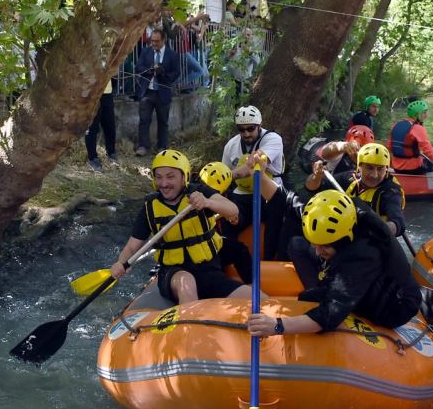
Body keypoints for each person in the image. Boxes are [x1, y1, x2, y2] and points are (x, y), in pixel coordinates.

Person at [246, 189, 421, 337]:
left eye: (324, 247)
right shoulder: (336, 213)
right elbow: (290, 202)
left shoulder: (363, 254)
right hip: (358, 271)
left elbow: (328, 316)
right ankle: (326, 287)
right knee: (298, 245)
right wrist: (260, 173)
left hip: (392, 306)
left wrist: (277, 326)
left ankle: (332, 294)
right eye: (316, 244)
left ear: (344, 241)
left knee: (317, 301)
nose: (317, 251)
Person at [110, 149, 252, 304]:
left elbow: (233, 210)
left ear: (184, 176)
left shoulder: (199, 192)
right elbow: (132, 247)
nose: (164, 184)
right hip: (173, 273)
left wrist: (207, 202)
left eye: (170, 177)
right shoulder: (150, 208)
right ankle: (190, 321)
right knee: (187, 281)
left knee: (258, 300)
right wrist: (120, 262)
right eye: (159, 177)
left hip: (208, 271)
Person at [221, 105, 286, 259]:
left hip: (269, 193)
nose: (247, 133)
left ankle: (271, 258)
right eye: (242, 129)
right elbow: (223, 173)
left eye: (250, 128)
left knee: (275, 224)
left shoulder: (273, 139)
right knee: (228, 222)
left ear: (259, 125)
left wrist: (230, 175)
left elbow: (252, 165)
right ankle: (232, 259)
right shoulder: (231, 145)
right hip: (242, 194)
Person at [134, 29, 180, 157]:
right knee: (144, 120)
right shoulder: (146, 51)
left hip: (163, 92)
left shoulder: (172, 55)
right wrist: (150, 70)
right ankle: (143, 146)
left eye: (156, 41)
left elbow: (176, 73)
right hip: (147, 91)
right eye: (152, 41)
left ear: (163, 40)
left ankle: (162, 147)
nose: (153, 43)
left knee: (163, 121)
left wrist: (162, 73)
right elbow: (138, 68)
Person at [346, 143, 406, 237]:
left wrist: (379, 230)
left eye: (380, 169)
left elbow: (398, 222)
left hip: (374, 240)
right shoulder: (351, 179)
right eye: (369, 168)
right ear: (359, 166)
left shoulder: (390, 192)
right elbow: (316, 187)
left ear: (387, 169)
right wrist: (317, 176)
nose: (375, 175)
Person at [388, 100, 433, 174]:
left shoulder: (396, 125)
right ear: (417, 114)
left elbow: (389, 147)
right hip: (412, 168)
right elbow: (428, 149)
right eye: (424, 113)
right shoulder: (417, 128)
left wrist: (391, 165)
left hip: (396, 167)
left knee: (426, 161)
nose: (426, 115)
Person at [304, 125, 374, 192]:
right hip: (311, 159)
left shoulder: (368, 162)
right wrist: (345, 146)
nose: (361, 152)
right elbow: (325, 152)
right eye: (359, 148)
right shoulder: (338, 153)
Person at [84, 78, 117, 171]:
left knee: (110, 125)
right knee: (92, 127)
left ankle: (111, 153)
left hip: (107, 92)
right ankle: (92, 158)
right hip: (93, 93)